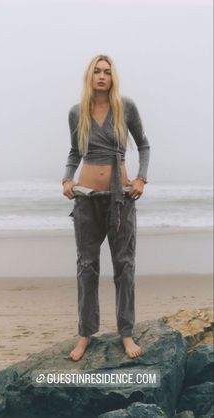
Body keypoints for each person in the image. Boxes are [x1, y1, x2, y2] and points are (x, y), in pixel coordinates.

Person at [62, 54, 150, 361]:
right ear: (89, 76)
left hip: (120, 200)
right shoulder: (77, 112)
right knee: (86, 268)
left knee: (124, 267)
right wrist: (66, 180)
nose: (102, 76)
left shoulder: (125, 107)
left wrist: (141, 178)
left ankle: (126, 333)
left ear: (113, 78)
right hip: (86, 200)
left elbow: (144, 145)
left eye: (107, 72)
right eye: (97, 71)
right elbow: (75, 152)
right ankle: (85, 334)